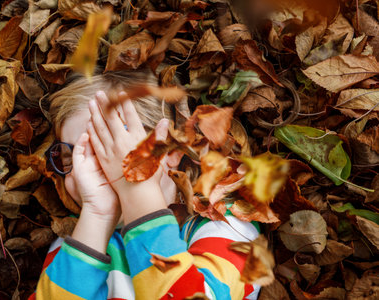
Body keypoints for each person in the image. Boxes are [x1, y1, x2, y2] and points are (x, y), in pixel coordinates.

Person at [30, 70, 261, 300]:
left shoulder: (228, 226)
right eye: (71, 159)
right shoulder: (78, 244)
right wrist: (97, 216)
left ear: (170, 150)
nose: (84, 176)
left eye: (107, 155)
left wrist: (138, 188)